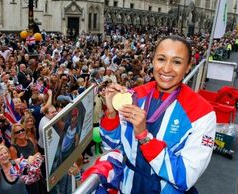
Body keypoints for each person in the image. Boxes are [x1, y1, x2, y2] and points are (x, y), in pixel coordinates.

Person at [92, 35, 216, 193]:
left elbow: (186, 177)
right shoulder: (134, 95)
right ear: (152, 61)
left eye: (177, 62)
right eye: (161, 59)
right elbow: (111, 145)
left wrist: (144, 137)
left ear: (188, 66)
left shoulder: (202, 112)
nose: (166, 68)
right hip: (128, 188)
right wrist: (111, 113)